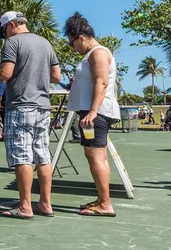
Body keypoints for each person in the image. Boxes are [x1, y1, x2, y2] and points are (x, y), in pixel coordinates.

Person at [0, 11, 60, 219]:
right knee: (42, 155)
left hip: (21, 105)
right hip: (43, 105)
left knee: (22, 155)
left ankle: (25, 206)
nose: (5, 35)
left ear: (12, 25)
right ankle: (45, 203)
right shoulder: (45, 43)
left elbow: (6, 74)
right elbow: (56, 76)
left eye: (5, 30)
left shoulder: (13, 43)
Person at [63, 13, 120, 217]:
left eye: (71, 44)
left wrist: (94, 111)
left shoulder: (98, 53)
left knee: (97, 156)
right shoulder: (90, 56)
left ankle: (105, 204)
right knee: (92, 155)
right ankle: (101, 198)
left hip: (97, 113)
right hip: (89, 113)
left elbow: (101, 82)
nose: (73, 48)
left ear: (80, 36)